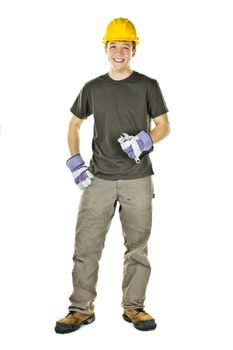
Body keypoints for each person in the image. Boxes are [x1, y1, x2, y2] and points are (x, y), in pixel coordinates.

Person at [55, 17, 170, 333]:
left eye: (125, 45)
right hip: (99, 179)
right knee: (86, 246)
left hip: (138, 179)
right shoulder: (93, 88)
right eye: (113, 45)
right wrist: (76, 163)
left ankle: (134, 308)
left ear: (134, 49)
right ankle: (80, 309)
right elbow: (73, 125)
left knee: (137, 248)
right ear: (105, 48)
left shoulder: (148, 86)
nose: (119, 51)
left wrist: (143, 140)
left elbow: (163, 125)